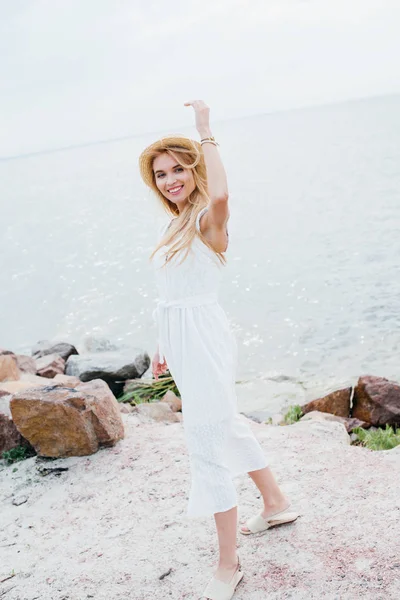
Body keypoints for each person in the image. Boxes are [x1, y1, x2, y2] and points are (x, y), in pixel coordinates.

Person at [139, 100, 298, 600]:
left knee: (205, 444)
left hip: (204, 341)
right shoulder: (176, 222)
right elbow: (174, 293)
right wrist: (162, 343)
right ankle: (274, 502)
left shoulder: (210, 217)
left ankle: (228, 565)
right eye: (160, 174)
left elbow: (223, 190)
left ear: (195, 167)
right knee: (223, 424)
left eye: (177, 169)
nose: (169, 180)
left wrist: (205, 131)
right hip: (185, 339)